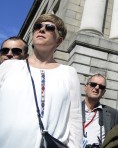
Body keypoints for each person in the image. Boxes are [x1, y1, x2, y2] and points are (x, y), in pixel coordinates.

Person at [0, 13, 82, 147]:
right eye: (38, 26)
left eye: (49, 27)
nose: (42, 30)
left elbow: (75, 120)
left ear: (59, 40)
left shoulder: (68, 73)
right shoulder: (9, 66)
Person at [82, 73, 118, 148]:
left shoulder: (112, 114)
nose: (96, 88)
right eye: (93, 84)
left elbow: (117, 141)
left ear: (103, 92)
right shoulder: (73, 109)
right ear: (85, 87)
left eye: (101, 87)